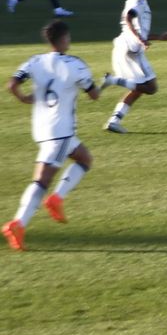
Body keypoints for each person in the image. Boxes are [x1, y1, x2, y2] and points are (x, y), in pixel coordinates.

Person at [4, 19, 101, 250]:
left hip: (43, 128)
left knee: (84, 158)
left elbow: (12, 84)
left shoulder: (35, 61)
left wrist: (23, 97)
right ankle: (18, 223)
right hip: (60, 131)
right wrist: (101, 85)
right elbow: (94, 94)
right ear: (65, 38)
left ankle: (56, 199)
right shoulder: (75, 64)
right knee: (41, 180)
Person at [100, 0, 167, 134]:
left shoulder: (138, 2)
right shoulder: (138, 2)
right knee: (151, 88)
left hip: (126, 47)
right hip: (131, 50)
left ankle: (114, 120)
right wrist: (140, 39)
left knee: (139, 89)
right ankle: (113, 80)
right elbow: (128, 18)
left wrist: (158, 37)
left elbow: (139, 30)